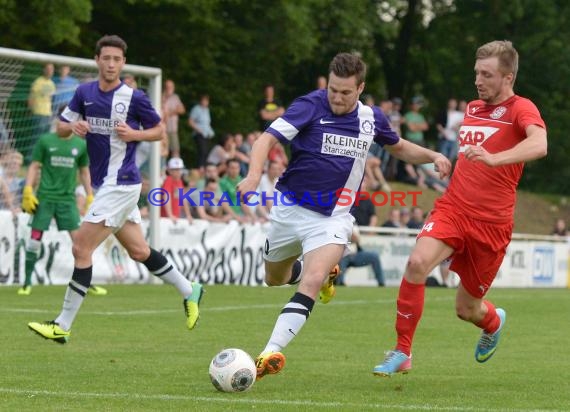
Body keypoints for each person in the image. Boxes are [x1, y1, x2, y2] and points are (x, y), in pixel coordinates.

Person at [237, 52, 450, 380]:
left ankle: (268, 352)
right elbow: (266, 139)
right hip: (290, 208)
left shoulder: (371, 118)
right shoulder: (309, 105)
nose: (336, 97)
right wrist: (253, 176)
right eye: (333, 89)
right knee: (274, 278)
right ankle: (325, 274)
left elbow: (399, 147)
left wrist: (433, 155)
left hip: (333, 218)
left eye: (345, 92)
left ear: (360, 88)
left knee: (310, 280)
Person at [374, 40, 547, 376]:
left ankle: (493, 323)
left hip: (491, 224)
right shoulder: (472, 108)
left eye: (487, 75)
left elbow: (539, 144)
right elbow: (472, 156)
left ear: (508, 77)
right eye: (476, 73)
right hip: (453, 208)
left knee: (467, 309)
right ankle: (402, 352)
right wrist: (444, 161)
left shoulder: (521, 108)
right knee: (417, 262)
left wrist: (496, 159)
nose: (478, 81)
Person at [27, 34, 204, 344]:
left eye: (117, 59)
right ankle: (190, 290)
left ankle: (62, 325)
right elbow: (60, 127)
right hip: (106, 184)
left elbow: (160, 130)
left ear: (123, 63)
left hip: (121, 183)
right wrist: (74, 127)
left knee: (81, 247)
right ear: (97, 60)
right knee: (138, 250)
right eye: (106, 58)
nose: (111, 64)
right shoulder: (83, 93)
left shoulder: (133, 97)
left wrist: (135, 134)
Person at [18, 130, 107, 296]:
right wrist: (28, 189)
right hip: (45, 198)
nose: (62, 123)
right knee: (35, 239)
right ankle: (27, 282)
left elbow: (84, 171)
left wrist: (89, 195)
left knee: (80, 242)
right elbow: (34, 165)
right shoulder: (45, 140)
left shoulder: (80, 145)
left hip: (67, 201)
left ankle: (86, 283)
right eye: (61, 120)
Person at [27, 63, 56, 159]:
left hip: (48, 114)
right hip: (38, 113)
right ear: (44, 70)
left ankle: (41, 158)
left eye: (51, 69)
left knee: (45, 138)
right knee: (36, 137)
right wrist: (31, 110)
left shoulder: (52, 83)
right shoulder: (38, 82)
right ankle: (30, 158)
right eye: (48, 69)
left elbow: (51, 99)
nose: (50, 71)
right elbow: (31, 97)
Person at [160, 157, 193, 223]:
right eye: (175, 170)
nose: (179, 172)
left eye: (180, 169)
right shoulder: (168, 180)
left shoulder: (179, 181)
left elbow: (183, 199)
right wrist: (170, 215)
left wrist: (188, 215)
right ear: (169, 171)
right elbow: (166, 198)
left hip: (175, 217)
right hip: (166, 219)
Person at [189, 94, 215, 173]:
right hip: (199, 133)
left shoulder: (206, 110)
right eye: (204, 100)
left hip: (207, 134)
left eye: (207, 101)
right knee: (202, 151)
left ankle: (204, 167)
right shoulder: (196, 109)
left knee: (206, 151)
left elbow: (207, 123)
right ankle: (200, 167)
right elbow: (190, 121)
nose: (205, 102)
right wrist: (199, 130)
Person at [162, 79, 186, 159]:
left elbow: (182, 110)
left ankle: (175, 167)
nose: (169, 88)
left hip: (173, 129)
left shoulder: (175, 97)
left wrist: (169, 113)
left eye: (171, 87)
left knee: (175, 150)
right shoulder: (160, 96)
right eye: (168, 87)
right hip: (162, 128)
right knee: (163, 150)